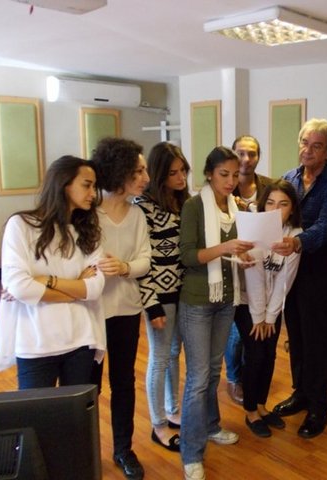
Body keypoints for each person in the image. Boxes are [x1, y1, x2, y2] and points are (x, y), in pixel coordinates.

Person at [0, 156, 105, 388]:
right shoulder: (21, 225)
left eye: (94, 186)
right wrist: (76, 287)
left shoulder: (88, 231)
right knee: (36, 410)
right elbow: (20, 287)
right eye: (87, 185)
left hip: (81, 339)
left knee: (76, 411)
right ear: (64, 184)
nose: (93, 194)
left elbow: (94, 288)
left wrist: (46, 280)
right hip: (35, 343)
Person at [178, 146, 254, 480]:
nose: (230, 181)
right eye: (224, 174)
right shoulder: (194, 206)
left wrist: (243, 257)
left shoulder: (237, 208)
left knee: (212, 371)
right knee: (197, 379)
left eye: (235, 175)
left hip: (226, 299)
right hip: (197, 300)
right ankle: (191, 453)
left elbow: (235, 253)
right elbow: (187, 256)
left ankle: (210, 426)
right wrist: (225, 248)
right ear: (209, 174)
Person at [273, 118, 327, 439]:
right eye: (305, 143)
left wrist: (298, 241)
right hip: (289, 268)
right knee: (296, 333)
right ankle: (301, 392)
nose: (308, 150)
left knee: (317, 339)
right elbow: (276, 214)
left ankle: (320, 407)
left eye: (316, 146)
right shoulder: (288, 178)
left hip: (318, 271)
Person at [90, 138, 152, 480]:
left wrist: (125, 267)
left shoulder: (137, 214)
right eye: (138, 171)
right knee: (89, 386)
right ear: (119, 171)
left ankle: (123, 449)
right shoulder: (88, 212)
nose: (145, 178)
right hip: (91, 311)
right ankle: (86, 450)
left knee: (124, 383)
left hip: (126, 310)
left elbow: (145, 260)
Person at [134, 142, 190, 452]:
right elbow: (142, 260)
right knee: (159, 357)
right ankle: (158, 424)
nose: (181, 178)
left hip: (183, 292)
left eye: (183, 171)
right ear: (158, 175)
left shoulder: (183, 202)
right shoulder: (142, 207)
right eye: (173, 173)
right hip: (159, 294)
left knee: (173, 354)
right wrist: (151, 303)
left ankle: (173, 409)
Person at [238, 180, 302, 438]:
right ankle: (250, 411)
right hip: (247, 304)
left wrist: (271, 317)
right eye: (271, 203)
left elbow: (285, 280)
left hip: (272, 307)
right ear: (263, 205)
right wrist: (259, 318)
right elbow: (253, 277)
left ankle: (262, 406)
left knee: (269, 355)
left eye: (283, 204)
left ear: (292, 208)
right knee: (255, 355)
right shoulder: (253, 229)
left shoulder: (295, 235)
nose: (276, 209)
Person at [224, 135, 273, 406]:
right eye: (240, 153)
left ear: (258, 157)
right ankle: (234, 377)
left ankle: (249, 376)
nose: (246, 159)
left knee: (254, 329)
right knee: (235, 332)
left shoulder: (268, 186)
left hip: (260, 266)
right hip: (232, 266)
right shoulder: (224, 188)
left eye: (252, 153)